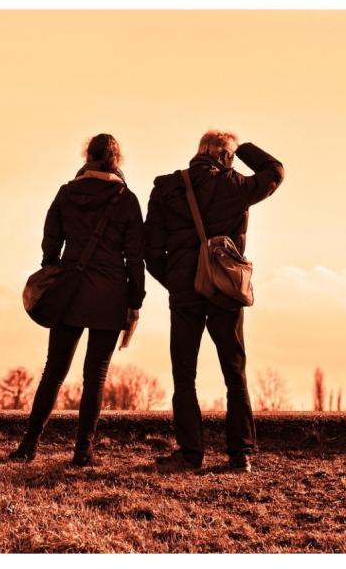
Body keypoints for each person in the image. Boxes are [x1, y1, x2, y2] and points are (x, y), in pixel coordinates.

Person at [144, 130, 284, 472]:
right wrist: (244, 146)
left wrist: (177, 281)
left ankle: (190, 453)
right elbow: (275, 171)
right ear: (225, 156)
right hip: (225, 289)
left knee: (184, 374)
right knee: (234, 373)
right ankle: (240, 454)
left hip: (184, 292)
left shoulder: (167, 188)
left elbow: (151, 251)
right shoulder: (236, 186)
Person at [9, 133, 145, 466]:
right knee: (95, 375)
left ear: (87, 156)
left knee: (53, 371)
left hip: (70, 291)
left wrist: (53, 269)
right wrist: (135, 300)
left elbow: (50, 239)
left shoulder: (67, 193)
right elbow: (135, 257)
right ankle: (82, 451)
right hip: (110, 294)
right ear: (116, 160)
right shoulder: (126, 199)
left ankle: (29, 445)